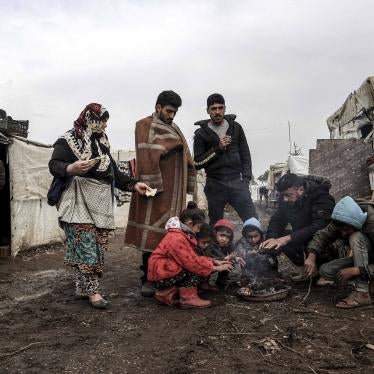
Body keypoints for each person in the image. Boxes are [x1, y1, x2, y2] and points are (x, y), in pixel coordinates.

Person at [49, 103, 149, 309]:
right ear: (90, 119)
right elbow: (54, 164)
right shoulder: (68, 140)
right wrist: (70, 167)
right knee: (86, 246)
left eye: (106, 121)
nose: (105, 125)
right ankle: (93, 293)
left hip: (101, 202)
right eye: (102, 120)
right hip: (78, 198)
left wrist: (133, 184)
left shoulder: (102, 142)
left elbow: (112, 169)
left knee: (97, 245)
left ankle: (81, 287)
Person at [125, 91, 196, 297]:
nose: (172, 116)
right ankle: (147, 278)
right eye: (168, 111)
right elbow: (148, 153)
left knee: (171, 234)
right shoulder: (144, 124)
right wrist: (151, 185)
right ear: (158, 107)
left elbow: (184, 152)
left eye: (174, 112)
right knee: (152, 235)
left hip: (174, 190)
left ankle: (166, 276)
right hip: (153, 190)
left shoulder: (174, 128)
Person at [147, 202, 233, 308]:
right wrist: (217, 268)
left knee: (194, 267)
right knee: (192, 270)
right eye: (198, 226)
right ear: (190, 223)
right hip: (161, 273)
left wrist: (213, 261)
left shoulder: (182, 234)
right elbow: (192, 263)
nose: (198, 230)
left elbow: (192, 257)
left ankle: (166, 293)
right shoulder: (177, 238)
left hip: (164, 270)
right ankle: (188, 299)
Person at [193, 93, 257, 225]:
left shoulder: (236, 127)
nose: (217, 112)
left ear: (225, 109)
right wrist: (218, 148)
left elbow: (246, 155)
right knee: (216, 224)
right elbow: (198, 163)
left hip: (237, 182)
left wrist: (245, 180)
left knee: (252, 220)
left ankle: (255, 244)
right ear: (208, 111)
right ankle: (217, 245)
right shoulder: (201, 134)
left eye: (220, 108)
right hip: (215, 184)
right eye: (213, 108)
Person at [260, 173, 335, 279]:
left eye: (288, 195)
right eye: (283, 195)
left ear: (300, 189)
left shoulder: (321, 197)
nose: (285, 199)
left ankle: (325, 272)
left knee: (292, 237)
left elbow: (320, 226)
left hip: (324, 241)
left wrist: (286, 239)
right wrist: (271, 238)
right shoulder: (286, 199)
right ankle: (305, 267)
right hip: (303, 239)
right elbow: (278, 219)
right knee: (278, 236)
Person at [305, 196, 374, 308]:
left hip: (369, 262)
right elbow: (322, 235)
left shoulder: (372, 224)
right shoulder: (345, 218)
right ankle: (366, 283)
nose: (343, 234)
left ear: (356, 223)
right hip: (366, 259)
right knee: (326, 270)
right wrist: (311, 255)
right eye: (341, 230)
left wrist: (357, 270)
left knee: (355, 236)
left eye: (346, 230)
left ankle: (362, 293)